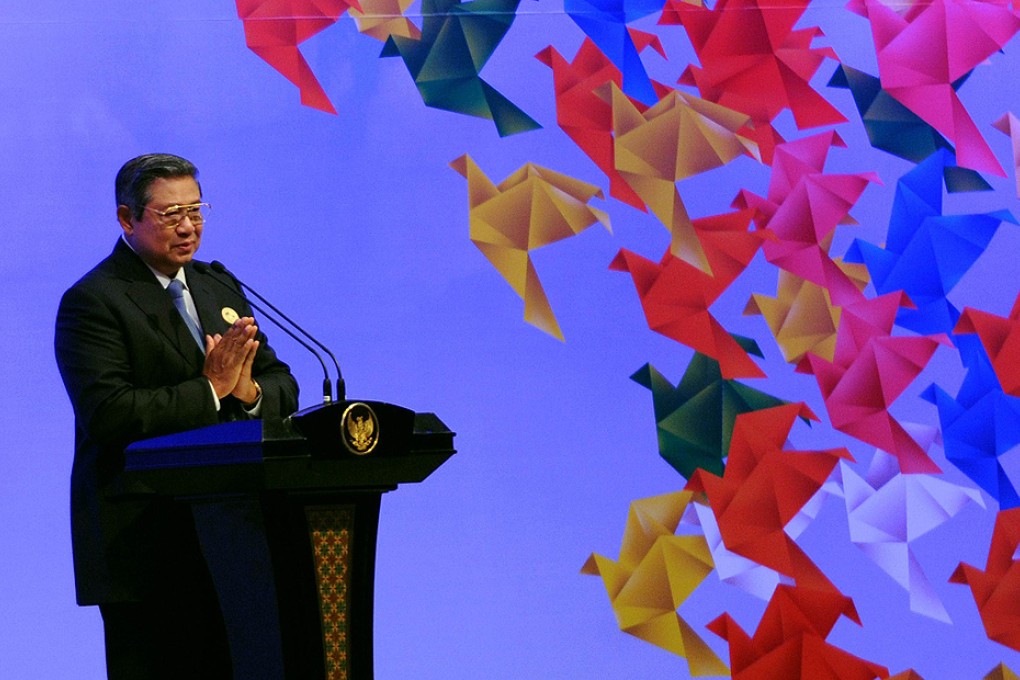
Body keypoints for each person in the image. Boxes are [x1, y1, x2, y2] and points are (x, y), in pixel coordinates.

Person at [54, 153, 299, 678]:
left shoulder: (217, 285)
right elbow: (111, 415)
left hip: (235, 541)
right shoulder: (93, 302)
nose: (188, 227)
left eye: (196, 210)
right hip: (147, 550)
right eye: (170, 215)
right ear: (127, 219)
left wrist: (248, 390)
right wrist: (210, 388)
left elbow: (284, 385)